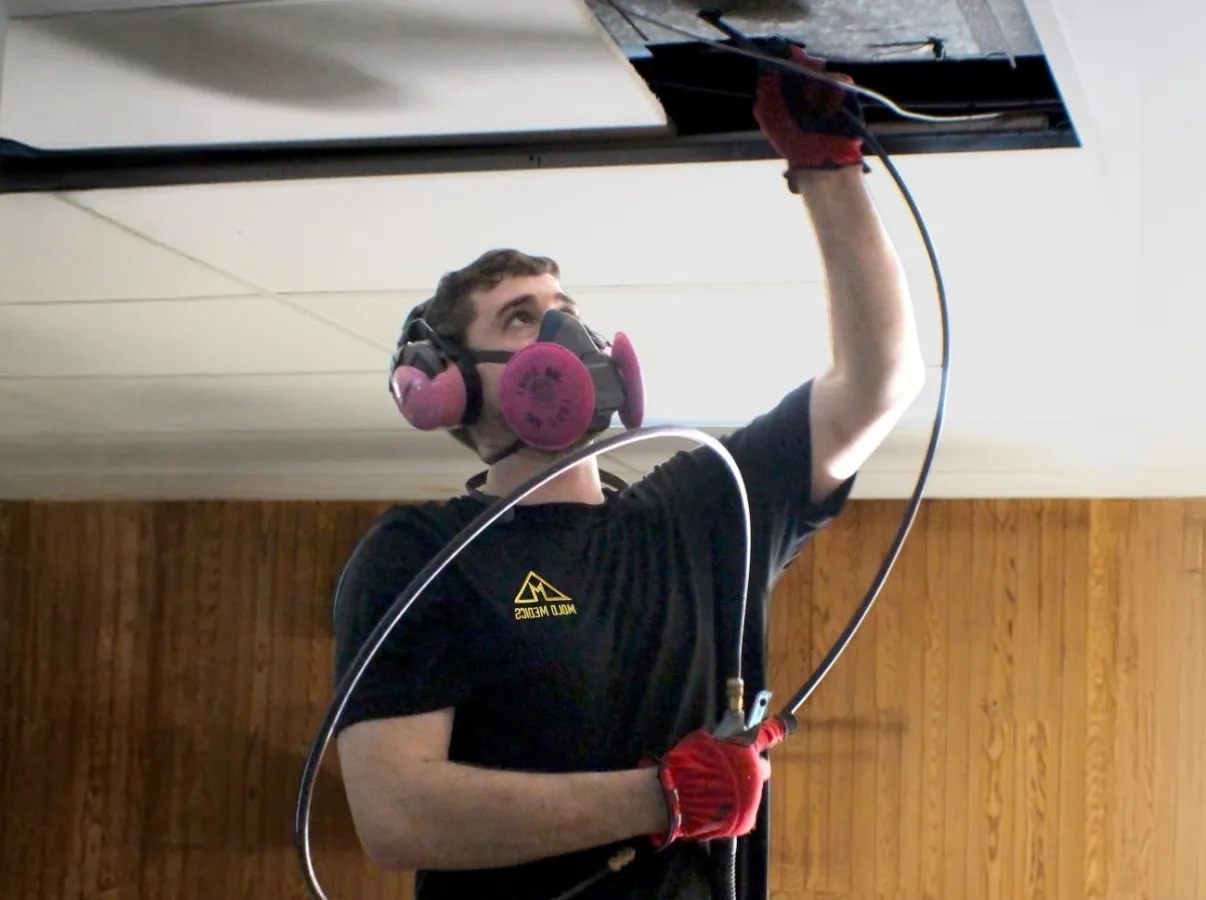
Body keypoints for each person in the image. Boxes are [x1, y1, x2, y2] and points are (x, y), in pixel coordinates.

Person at [329, 44, 924, 900]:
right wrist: (660, 797)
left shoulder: (700, 511)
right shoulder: (421, 553)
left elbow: (877, 385)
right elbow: (396, 813)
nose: (569, 339)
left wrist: (828, 170)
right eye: (522, 318)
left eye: (570, 314)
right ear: (447, 386)